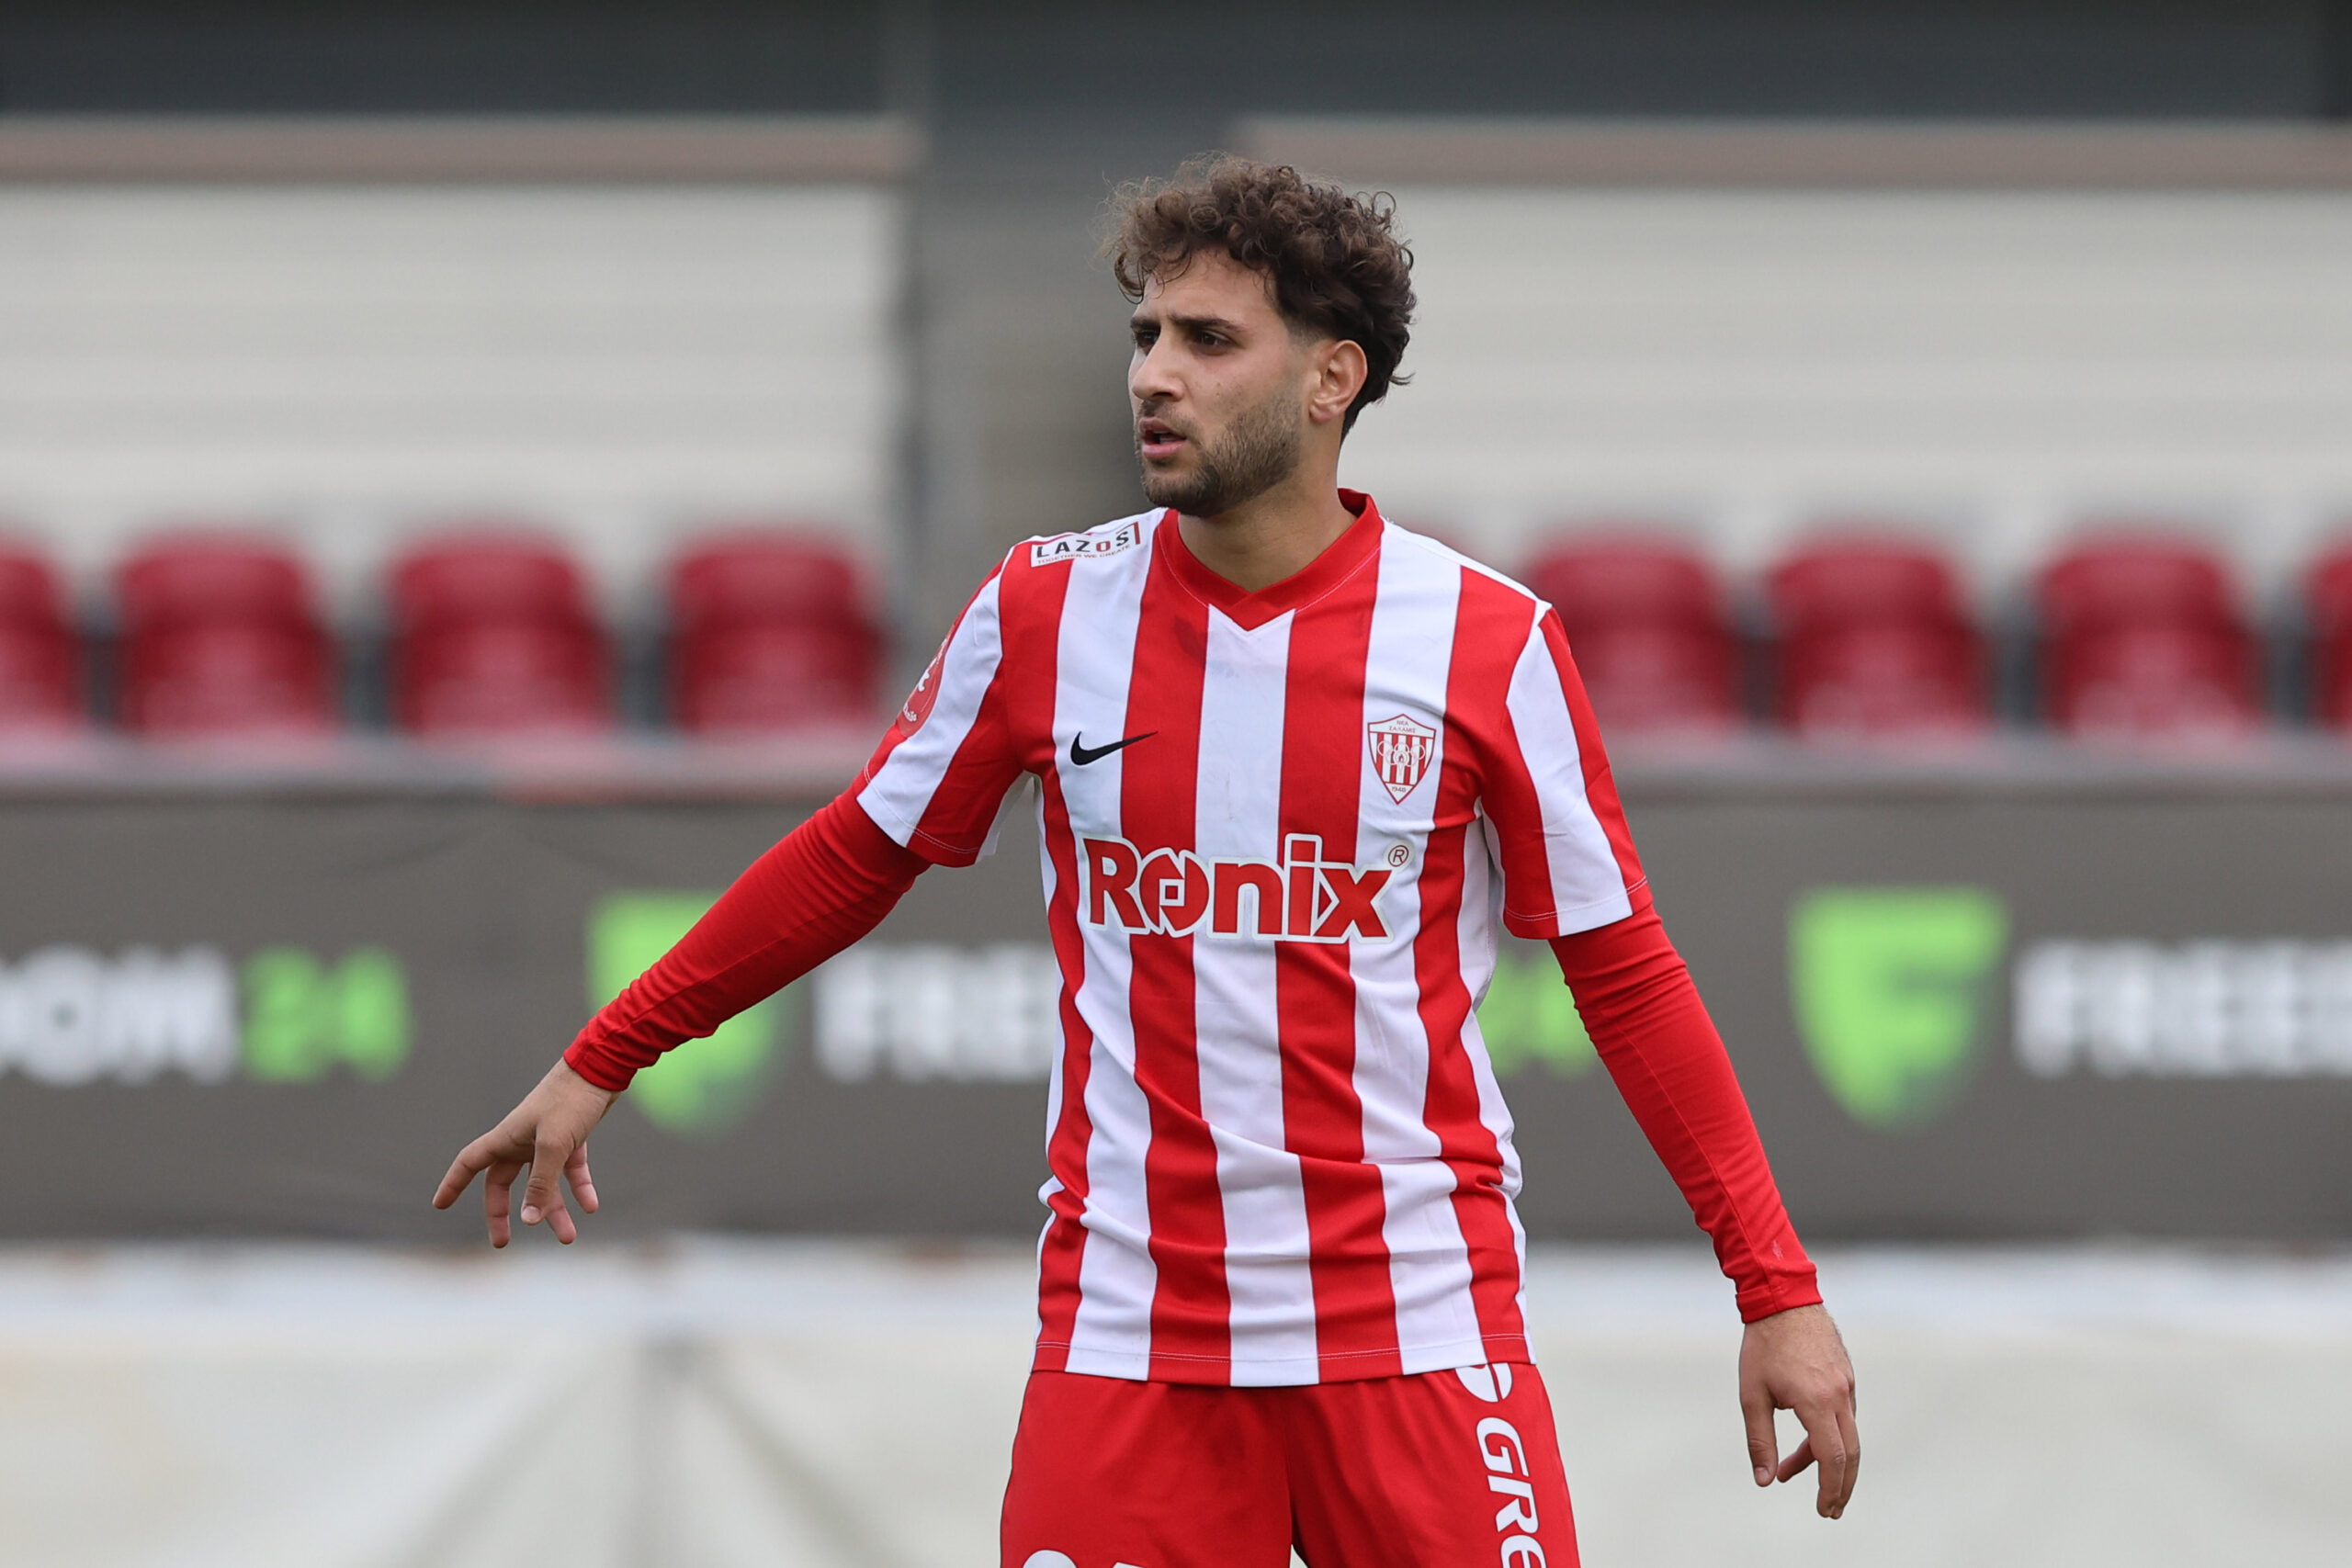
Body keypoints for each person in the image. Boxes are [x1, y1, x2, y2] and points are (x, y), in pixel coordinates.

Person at [434, 154, 1858, 1567]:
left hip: (1419, 1328)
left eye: (1208, 341)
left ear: (1333, 379)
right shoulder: (1044, 609)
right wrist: (608, 1052)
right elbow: (851, 856)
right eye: (1147, 336)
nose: (1153, 376)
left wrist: (1775, 1289)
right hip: (1133, 1337)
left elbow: (1628, 978)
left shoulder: (1486, 640)